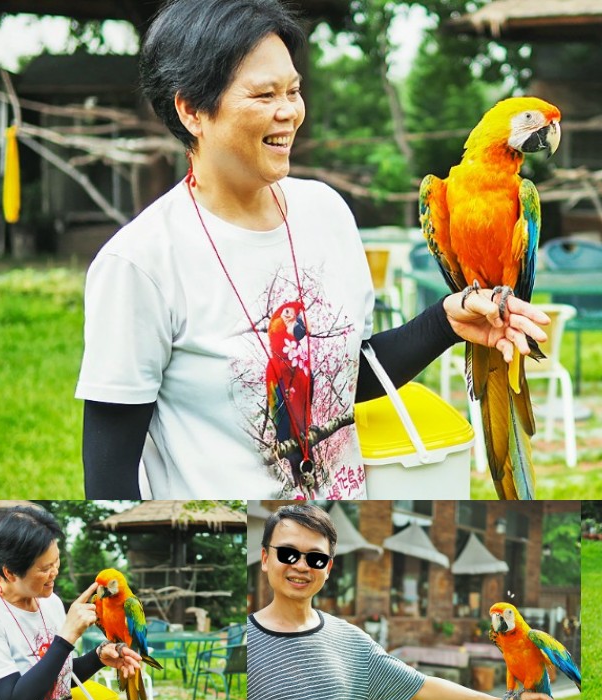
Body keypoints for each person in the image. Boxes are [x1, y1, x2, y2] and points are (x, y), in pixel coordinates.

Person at [75, 0, 549, 501]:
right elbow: (109, 479)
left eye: (294, 90)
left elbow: (343, 381)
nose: (289, 111)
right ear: (191, 110)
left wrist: (444, 323)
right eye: (264, 94)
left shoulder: (327, 212)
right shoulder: (139, 263)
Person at [247, 504, 561, 700]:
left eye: (315, 559)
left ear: (328, 568)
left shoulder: (352, 642)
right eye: (288, 553)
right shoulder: (244, 640)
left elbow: (422, 686)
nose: (301, 566)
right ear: (264, 558)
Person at [0, 505, 142, 700]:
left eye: (56, 561)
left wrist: (98, 657)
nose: (55, 572)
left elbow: (59, 679)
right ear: (10, 572)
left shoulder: (50, 603)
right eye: (45, 568)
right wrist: (66, 638)